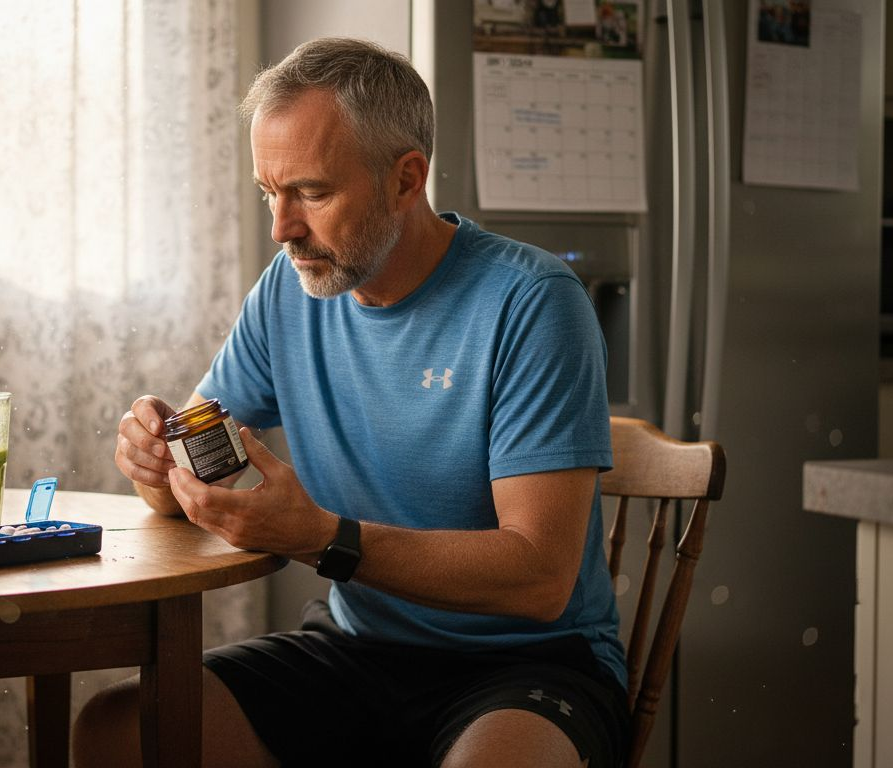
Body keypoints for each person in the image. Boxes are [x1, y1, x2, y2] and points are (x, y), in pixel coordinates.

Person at [74, 37, 629, 768]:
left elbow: (539, 579)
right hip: (356, 648)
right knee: (117, 733)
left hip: (528, 662)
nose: (282, 229)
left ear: (406, 179)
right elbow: (189, 481)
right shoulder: (288, 290)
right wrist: (155, 461)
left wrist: (324, 537)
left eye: (312, 192)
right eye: (269, 193)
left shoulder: (530, 303)